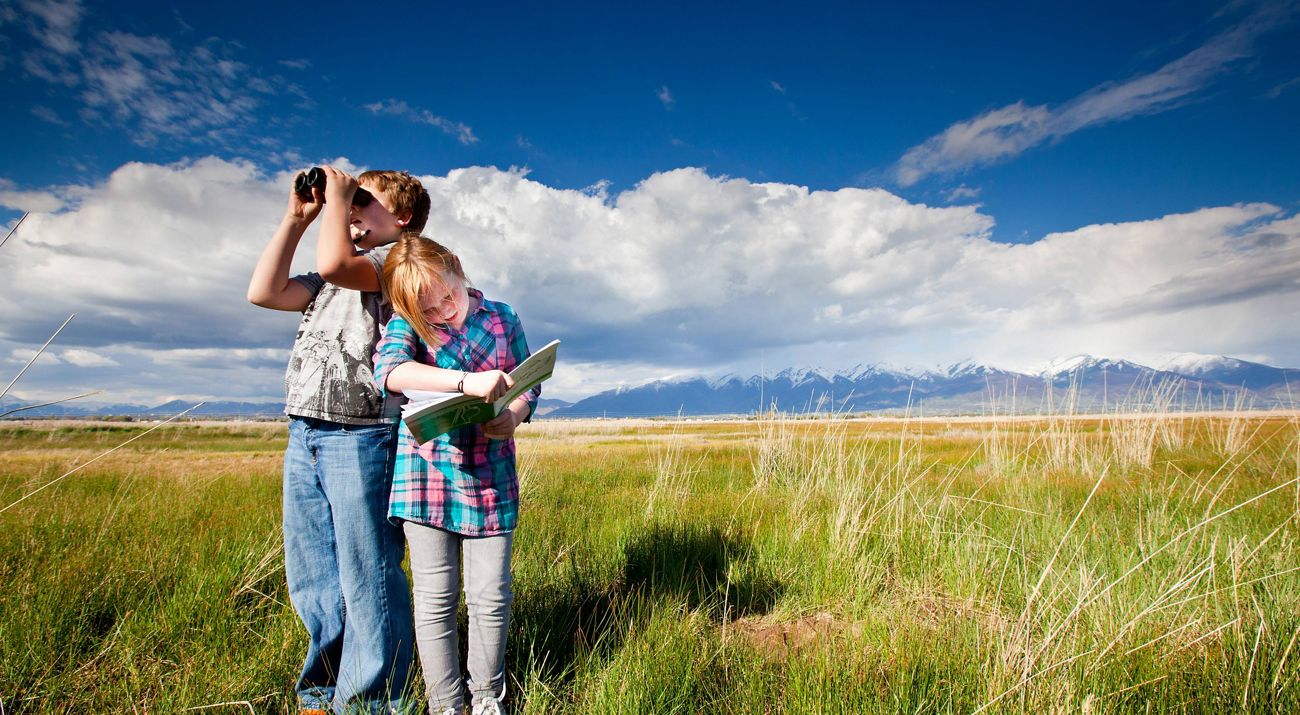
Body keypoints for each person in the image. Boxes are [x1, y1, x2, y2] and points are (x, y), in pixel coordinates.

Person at [247, 166, 430, 714]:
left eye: (361, 204)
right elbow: (263, 292)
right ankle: (324, 688)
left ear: (401, 218)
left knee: (367, 569)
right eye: (346, 205)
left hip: (363, 433)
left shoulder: (395, 262)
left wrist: (337, 201)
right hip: (306, 428)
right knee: (316, 572)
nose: (349, 212)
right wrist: (296, 217)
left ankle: (373, 699)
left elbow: (336, 262)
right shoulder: (329, 277)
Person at [373, 233, 539, 715]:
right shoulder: (408, 324)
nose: (446, 312)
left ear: (457, 269)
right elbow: (390, 371)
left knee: (490, 595)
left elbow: (530, 384)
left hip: (492, 475)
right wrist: (465, 383)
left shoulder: (504, 318)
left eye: (449, 296)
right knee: (435, 599)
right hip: (425, 476)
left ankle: (488, 698)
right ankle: (445, 703)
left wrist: (514, 415)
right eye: (432, 310)